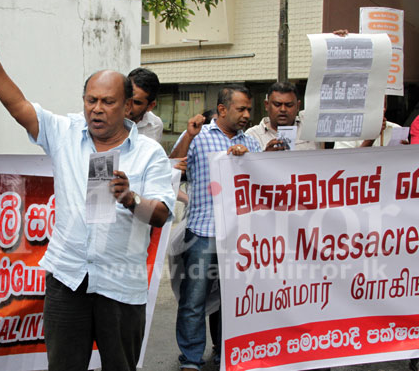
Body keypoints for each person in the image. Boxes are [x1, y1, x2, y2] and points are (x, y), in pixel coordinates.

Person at [0, 9, 175, 371]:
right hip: (68, 279)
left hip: (119, 284)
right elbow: (18, 106)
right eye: (90, 100)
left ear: (128, 106)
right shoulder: (65, 133)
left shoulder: (148, 153)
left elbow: (159, 214)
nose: (96, 110)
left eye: (107, 102)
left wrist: (131, 199)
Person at [169, 85, 261, 371]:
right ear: (222, 110)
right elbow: (174, 166)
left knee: (231, 299)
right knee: (194, 297)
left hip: (239, 236)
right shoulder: (199, 138)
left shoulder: (252, 143)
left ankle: (226, 352)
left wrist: (248, 159)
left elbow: (261, 184)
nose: (246, 115)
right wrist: (188, 135)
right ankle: (191, 358)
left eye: (249, 109)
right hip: (203, 232)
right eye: (240, 109)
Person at [246, 81, 321, 151]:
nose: (283, 109)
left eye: (289, 105)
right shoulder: (252, 136)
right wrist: (265, 156)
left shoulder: (310, 128)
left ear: (298, 106)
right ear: (267, 105)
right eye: (277, 105)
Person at [127, 67, 164, 143]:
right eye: (126, 98)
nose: (127, 105)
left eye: (136, 102)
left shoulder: (156, 125)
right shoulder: (109, 120)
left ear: (150, 106)